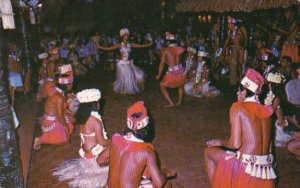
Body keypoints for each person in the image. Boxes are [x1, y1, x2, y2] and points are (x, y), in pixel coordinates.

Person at [204, 68, 276, 188]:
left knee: (208, 152)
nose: (237, 94)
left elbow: (235, 144)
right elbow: (270, 147)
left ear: (244, 92)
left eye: (239, 91)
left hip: (244, 169)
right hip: (266, 171)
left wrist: (220, 141)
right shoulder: (268, 111)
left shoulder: (238, 107)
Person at [97, 101, 173, 188]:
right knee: (167, 184)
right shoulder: (146, 152)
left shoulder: (116, 141)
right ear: (147, 129)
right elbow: (159, 183)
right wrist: (165, 173)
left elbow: (100, 160)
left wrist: (116, 160)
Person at [52, 88, 110, 187]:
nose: (99, 104)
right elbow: (102, 142)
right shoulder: (95, 121)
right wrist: (113, 143)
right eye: (98, 102)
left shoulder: (82, 117)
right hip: (95, 157)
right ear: (94, 104)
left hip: (86, 155)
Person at [97, 28, 152, 94]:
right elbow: (109, 48)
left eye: (127, 35)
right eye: (126, 35)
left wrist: (149, 44)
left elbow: (140, 46)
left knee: (139, 75)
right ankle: (125, 89)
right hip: (122, 64)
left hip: (128, 63)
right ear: (122, 36)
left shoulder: (130, 44)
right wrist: (100, 47)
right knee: (126, 78)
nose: (127, 36)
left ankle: (130, 89)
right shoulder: (119, 45)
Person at [33, 72, 74, 150]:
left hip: (55, 117)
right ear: (67, 85)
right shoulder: (59, 97)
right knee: (65, 140)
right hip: (52, 122)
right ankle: (40, 140)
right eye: (71, 83)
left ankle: (55, 134)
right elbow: (60, 117)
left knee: (71, 119)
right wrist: (66, 130)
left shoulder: (59, 91)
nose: (72, 85)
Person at [156, 32, 186, 107]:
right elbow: (175, 62)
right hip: (181, 72)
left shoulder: (165, 50)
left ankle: (171, 102)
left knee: (162, 85)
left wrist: (159, 75)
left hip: (172, 74)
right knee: (181, 85)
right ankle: (179, 101)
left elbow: (162, 64)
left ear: (168, 42)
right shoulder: (180, 49)